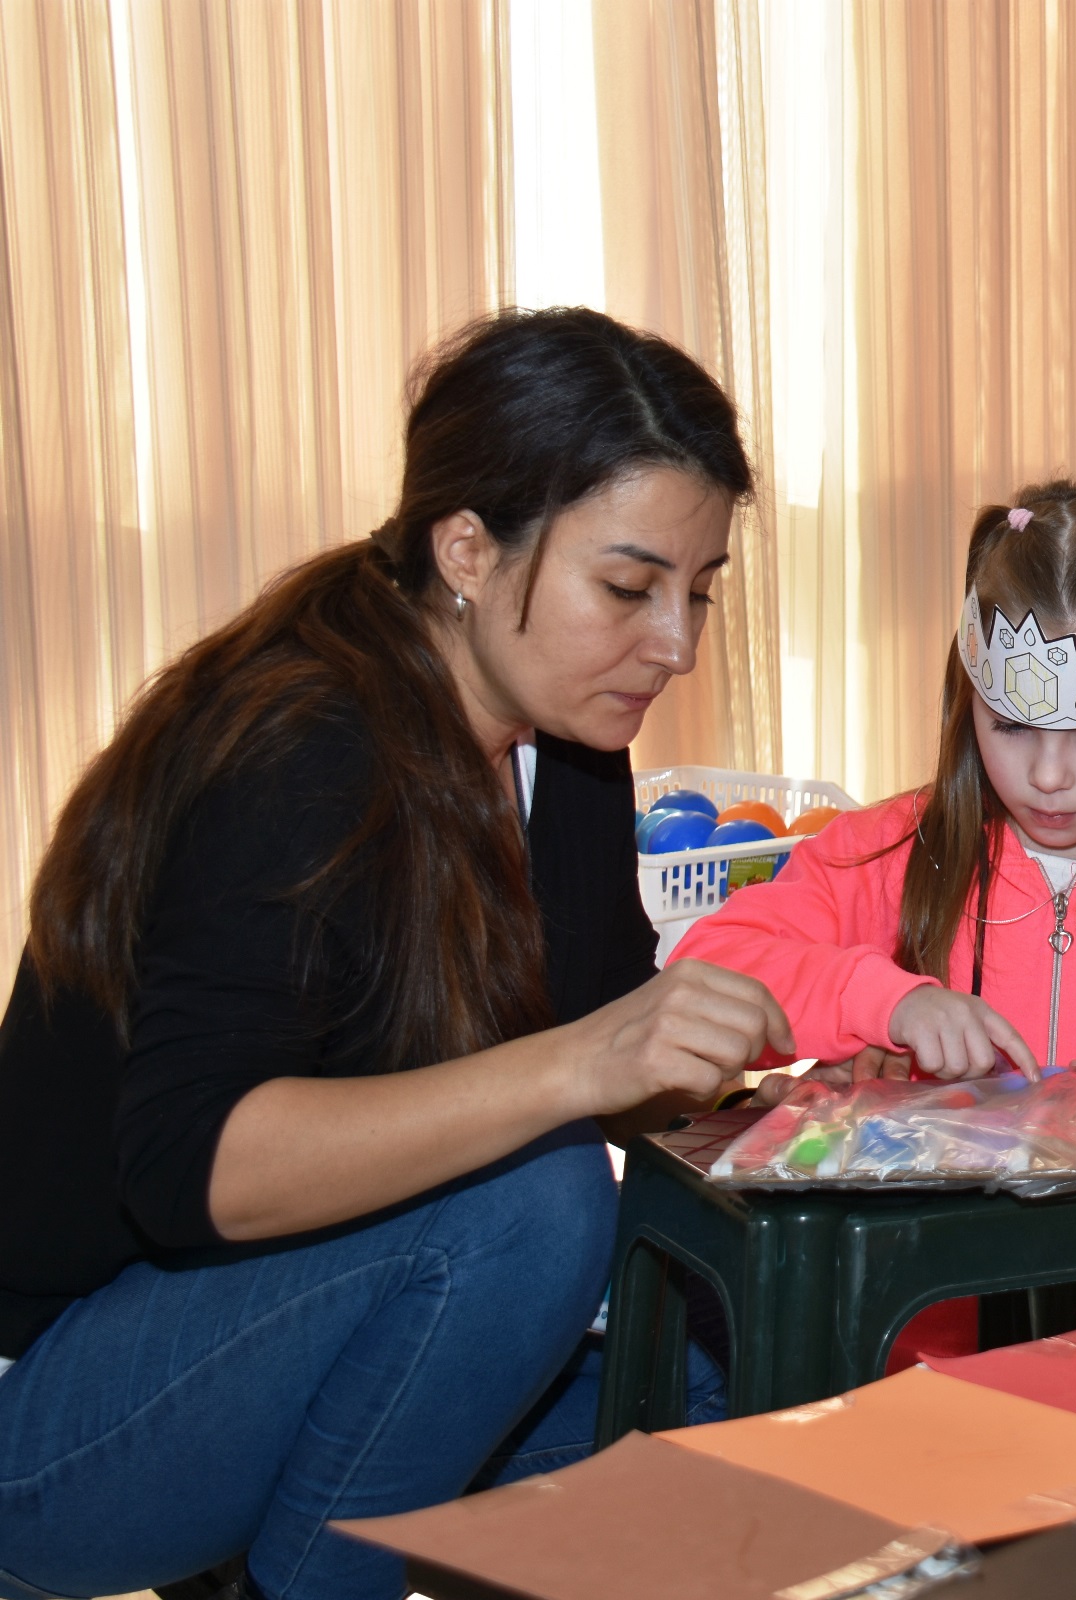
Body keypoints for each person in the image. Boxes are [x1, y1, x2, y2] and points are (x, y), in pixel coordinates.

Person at [0, 309, 792, 1600]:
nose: (676, 645)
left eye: (697, 593)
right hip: (61, 1403)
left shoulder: (570, 743)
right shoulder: (301, 748)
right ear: (468, 549)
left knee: (723, 1379)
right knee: (536, 1209)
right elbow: (194, 1173)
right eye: (629, 587)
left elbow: (618, 1038)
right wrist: (576, 1068)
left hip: (278, 1326)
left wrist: (844, 1115)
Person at [677, 480, 1076, 1191]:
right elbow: (710, 967)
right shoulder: (884, 853)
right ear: (966, 693)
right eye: (1010, 726)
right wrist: (885, 1001)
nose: (1047, 775)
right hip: (928, 1288)